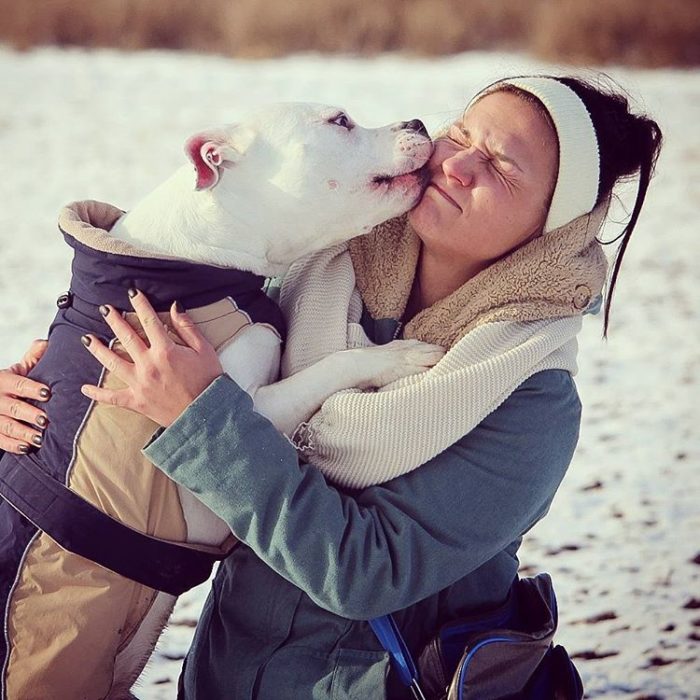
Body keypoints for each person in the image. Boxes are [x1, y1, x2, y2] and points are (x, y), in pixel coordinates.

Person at [0, 75, 662, 699]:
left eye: (506, 168)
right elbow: (159, 330)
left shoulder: (529, 392)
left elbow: (366, 572)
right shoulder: (312, 269)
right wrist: (38, 396)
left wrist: (204, 419)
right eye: (462, 135)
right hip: (221, 676)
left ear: (555, 222)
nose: (458, 165)